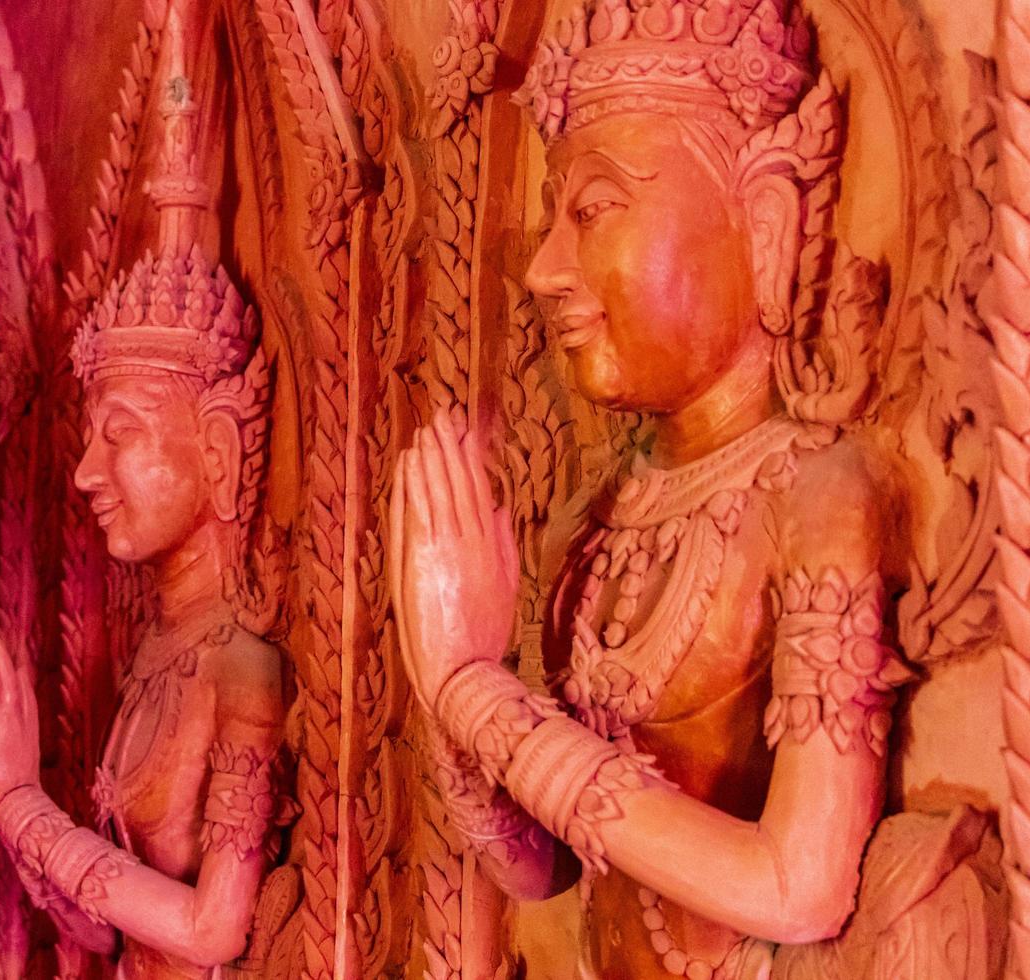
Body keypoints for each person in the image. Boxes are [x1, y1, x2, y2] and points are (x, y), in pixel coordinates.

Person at [389, 2, 915, 976]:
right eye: (552, 216)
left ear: (762, 217)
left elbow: (801, 882)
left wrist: (477, 700)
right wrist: (461, 691)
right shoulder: (594, 527)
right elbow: (545, 868)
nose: (547, 268)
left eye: (590, 210)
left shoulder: (820, 497)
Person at [0, 12, 290, 976]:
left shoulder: (240, 671)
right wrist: (14, 804)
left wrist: (17, 800)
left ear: (218, 446)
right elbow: (106, 924)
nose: (89, 469)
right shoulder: (158, 659)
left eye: (121, 434)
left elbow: (214, 928)